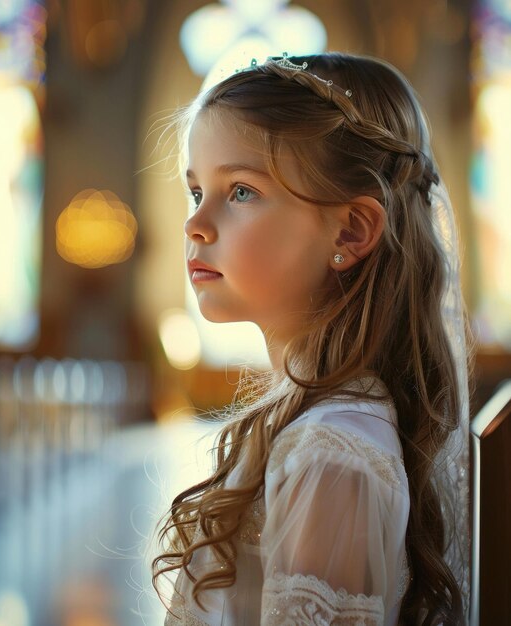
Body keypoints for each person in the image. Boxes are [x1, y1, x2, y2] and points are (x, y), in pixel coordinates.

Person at [152, 52, 471, 626]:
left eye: (242, 191)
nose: (194, 224)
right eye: (197, 192)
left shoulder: (330, 453)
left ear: (350, 230)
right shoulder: (320, 427)